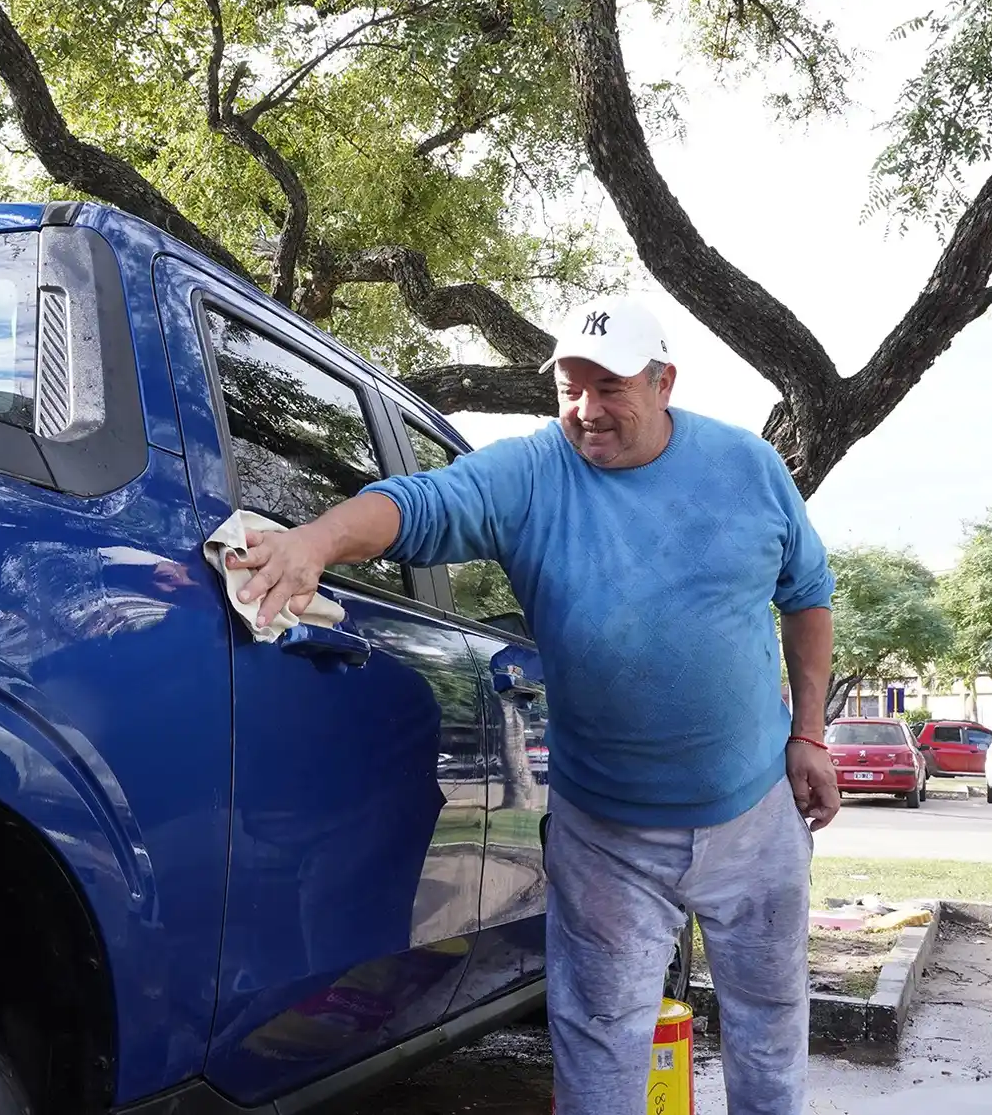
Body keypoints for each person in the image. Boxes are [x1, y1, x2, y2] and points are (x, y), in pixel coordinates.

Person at [232, 295, 840, 1115]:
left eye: (609, 387)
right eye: (569, 388)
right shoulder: (529, 473)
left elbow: (807, 595)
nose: (586, 411)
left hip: (753, 809)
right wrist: (313, 541)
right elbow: (415, 504)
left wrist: (809, 733)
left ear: (664, 382)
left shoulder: (746, 468)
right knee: (597, 1043)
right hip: (609, 835)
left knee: (769, 1027)